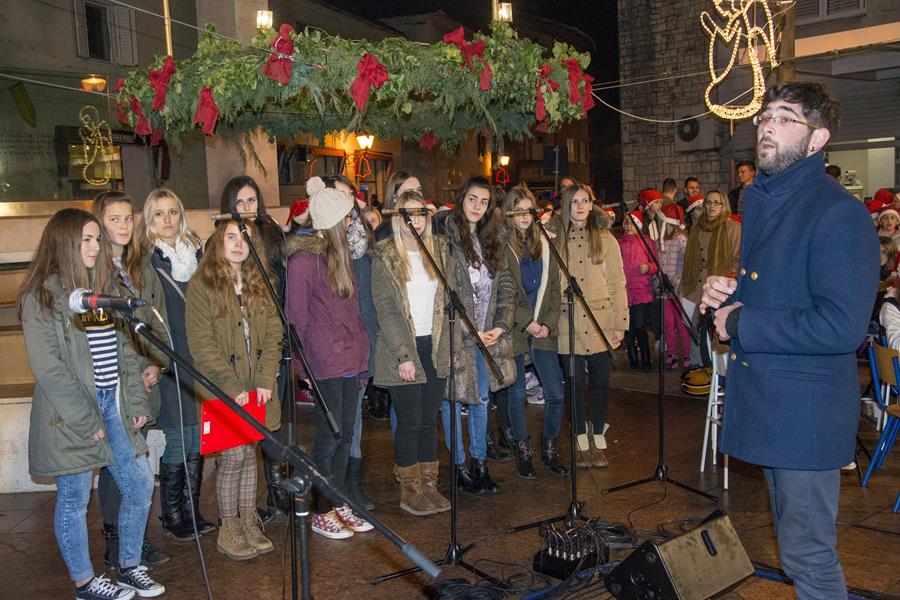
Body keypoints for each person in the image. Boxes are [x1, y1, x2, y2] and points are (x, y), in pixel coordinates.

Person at [701, 81, 879, 600]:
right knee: (798, 551)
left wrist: (741, 323)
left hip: (806, 414)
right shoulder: (773, 199)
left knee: (808, 555)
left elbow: (840, 326)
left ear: (817, 138)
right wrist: (729, 293)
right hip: (778, 405)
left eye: (784, 118)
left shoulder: (835, 211)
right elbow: (784, 292)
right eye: (765, 117)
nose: (767, 127)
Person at [19, 208, 165, 600]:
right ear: (64, 243)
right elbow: (50, 369)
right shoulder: (43, 297)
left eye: (96, 239)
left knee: (139, 485)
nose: (95, 246)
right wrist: (87, 420)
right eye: (86, 239)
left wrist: (136, 401)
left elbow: (126, 354)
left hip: (114, 402)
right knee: (74, 498)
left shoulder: (101, 290)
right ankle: (84, 583)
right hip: (72, 412)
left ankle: (129, 566)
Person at [185, 220, 281, 560]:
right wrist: (232, 385)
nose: (239, 243)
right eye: (231, 237)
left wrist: (265, 378)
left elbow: (275, 332)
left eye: (245, 238)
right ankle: (229, 526)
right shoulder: (202, 285)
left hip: (256, 385)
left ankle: (249, 520)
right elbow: (201, 344)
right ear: (217, 243)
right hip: (222, 385)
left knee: (250, 452)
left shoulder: (262, 282)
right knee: (233, 455)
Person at [285, 176, 373, 539]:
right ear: (333, 221)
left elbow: (353, 312)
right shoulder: (303, 262)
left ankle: (339, 501)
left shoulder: (342, 257)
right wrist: (301, 365)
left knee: (346, 433)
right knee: (329, 436)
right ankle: (322, 507)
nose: (351, 221)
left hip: (351, 358)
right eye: (347, 217)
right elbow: (296, 319)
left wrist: (363, 352)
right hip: (325, 361)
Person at [91, 192, 169, 569]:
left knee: (136, 457)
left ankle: (135, 539)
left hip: (143, 376)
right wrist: (133, 369)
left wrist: (156, 362)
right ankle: (116, 539)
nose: (123, 226)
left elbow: (156, 318)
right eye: (114, 219)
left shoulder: (139, 264)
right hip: (116, 380)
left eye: (128, 218)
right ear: (99, 224)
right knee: (117, 463)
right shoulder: (95, 270)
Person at [140, 189, 215, 541]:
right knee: (177, 434)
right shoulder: (147, 261)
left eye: (172, 212)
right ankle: (172, 514)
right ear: (149, 219)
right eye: (159, 213)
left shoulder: (196, 254)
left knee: (197, 437)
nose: (167, 219)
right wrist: (152, 360)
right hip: (168, 358)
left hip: (198, 354)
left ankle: (190, 509)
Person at [370, 189, 452, 515]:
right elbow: (386, 309)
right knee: (410, 420)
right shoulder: (385, 256)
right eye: (408, 214)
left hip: (435, 345)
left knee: (429, 420)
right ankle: (410, 489)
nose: (415, 220)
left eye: (420, 213)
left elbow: (450, 300)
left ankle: (429, 483)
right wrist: (404, 355)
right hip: (403, 346)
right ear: (396, 217)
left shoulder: (439, 251)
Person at [436, 175, 516, 494]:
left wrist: (500, 324)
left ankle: (479, 463)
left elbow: (505, 285)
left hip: (487, 335)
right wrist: (470, 332)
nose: (477, 206)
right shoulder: (446, 237)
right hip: (458, 335)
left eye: (484, 202)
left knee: (482, 399)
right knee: (453, 399)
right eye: (472, 199)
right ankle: (458, 465)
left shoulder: (494, 238)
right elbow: (443, 293)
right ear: (462, 199)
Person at [220, 176, 290, 519]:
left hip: (271, 336)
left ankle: (277, 489)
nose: (247, 207)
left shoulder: (272, 234)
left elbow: (283, 285)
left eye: (251, 200)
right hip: (239, 349)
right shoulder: (222, 241)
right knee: (240, 442)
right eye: (239, 202)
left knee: (272, 421)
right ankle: (239, 513)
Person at [500, 184, 569, 479]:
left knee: (556, 393)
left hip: (543, 329)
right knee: (516, 394)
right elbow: (507, 292)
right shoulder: (502, 248)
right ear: (509, 214)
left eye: (529, 210)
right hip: (517, 329)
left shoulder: (545, 245)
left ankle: (549, 448)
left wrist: (548, 324)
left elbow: (554, 289)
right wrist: (527, 322)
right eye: (518, 211)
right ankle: (523, 451)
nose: (525, 216)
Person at [557, 183, 628, 468]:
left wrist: (620, 322)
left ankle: (597, 436)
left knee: (600, 382)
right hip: (568, 321)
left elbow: (617, 282)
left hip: (601, 320)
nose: (581, 206)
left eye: (585, 201)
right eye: (574, 202)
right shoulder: (555, 239)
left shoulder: (606, 239)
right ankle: (579, 438)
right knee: (574, 383)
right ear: (566, 205)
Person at [322, 174, 378, 511]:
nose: (344, 202)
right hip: (335, 350)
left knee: (355, 418)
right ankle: (338, 487)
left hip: (362, 342)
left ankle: (352, 483)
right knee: (341, 422)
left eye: (348, 195)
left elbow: (369, 299)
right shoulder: (323, 248)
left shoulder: (362, 242)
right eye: (336, 195)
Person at [680, 188, 741, 366]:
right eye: (709, 202)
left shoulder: (733, 227)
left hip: (719, 289)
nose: (712, 206)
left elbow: (739, 259)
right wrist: (683, 287)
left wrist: (725, 281)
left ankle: (717, 371)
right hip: (696, 287)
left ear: (724, 205)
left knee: (717, 333)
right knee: (696, 329)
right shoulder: (698, 227)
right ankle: (699, 369)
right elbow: (689, 260)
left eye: (717, 203)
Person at [619, 210, 657, 371]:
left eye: (632, 223)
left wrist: (649, 267)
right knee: (628, 328)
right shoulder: (619, 243)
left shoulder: (646, 242)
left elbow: (655, 264)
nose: (629, 226)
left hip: (641, 290)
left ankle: (646, 358)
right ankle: (633, 357)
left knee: (640, 325)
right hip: (623, 292)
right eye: (626, 222)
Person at [658, 203, 691, 369]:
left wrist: (675, 283)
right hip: (665, 290)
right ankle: (671, 354)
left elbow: (685, 265)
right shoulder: (662, 241)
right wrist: (660, 282)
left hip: (678, 290)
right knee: (668, 324)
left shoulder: (681, 240)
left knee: (681, 324)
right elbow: (660, 264)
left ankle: (687, 355)